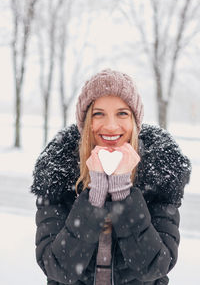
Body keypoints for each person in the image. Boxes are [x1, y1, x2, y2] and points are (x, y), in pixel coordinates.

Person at [31, 69, 191, 285]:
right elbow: (57, 267)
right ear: (86, 121)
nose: (111, 126)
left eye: (122, 113)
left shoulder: (159, 174)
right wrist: (95, 196)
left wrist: (122, 192)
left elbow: (155, 266)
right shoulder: (58, 173)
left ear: (134, 120)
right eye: (99, 114)